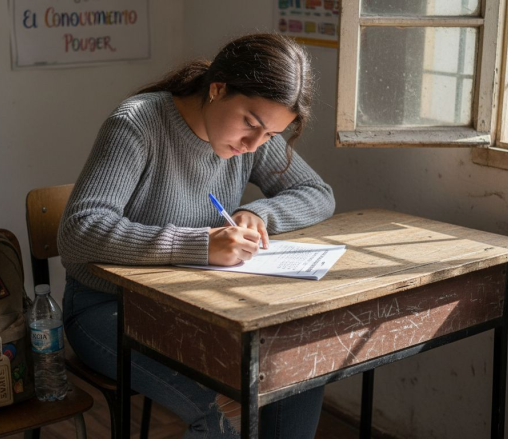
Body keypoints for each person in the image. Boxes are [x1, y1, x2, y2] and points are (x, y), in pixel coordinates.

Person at [58, 33, 335, 438]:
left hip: (195, 307)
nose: (253, 144)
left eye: (270, 136)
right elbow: (78, 232)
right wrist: (199, 245)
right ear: (217, 89)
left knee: (299, 373)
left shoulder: (254, 139)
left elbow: (317, 194)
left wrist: (257, 213)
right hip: (109, 308)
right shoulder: (137, 124)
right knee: (225, 412)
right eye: (251, 124)